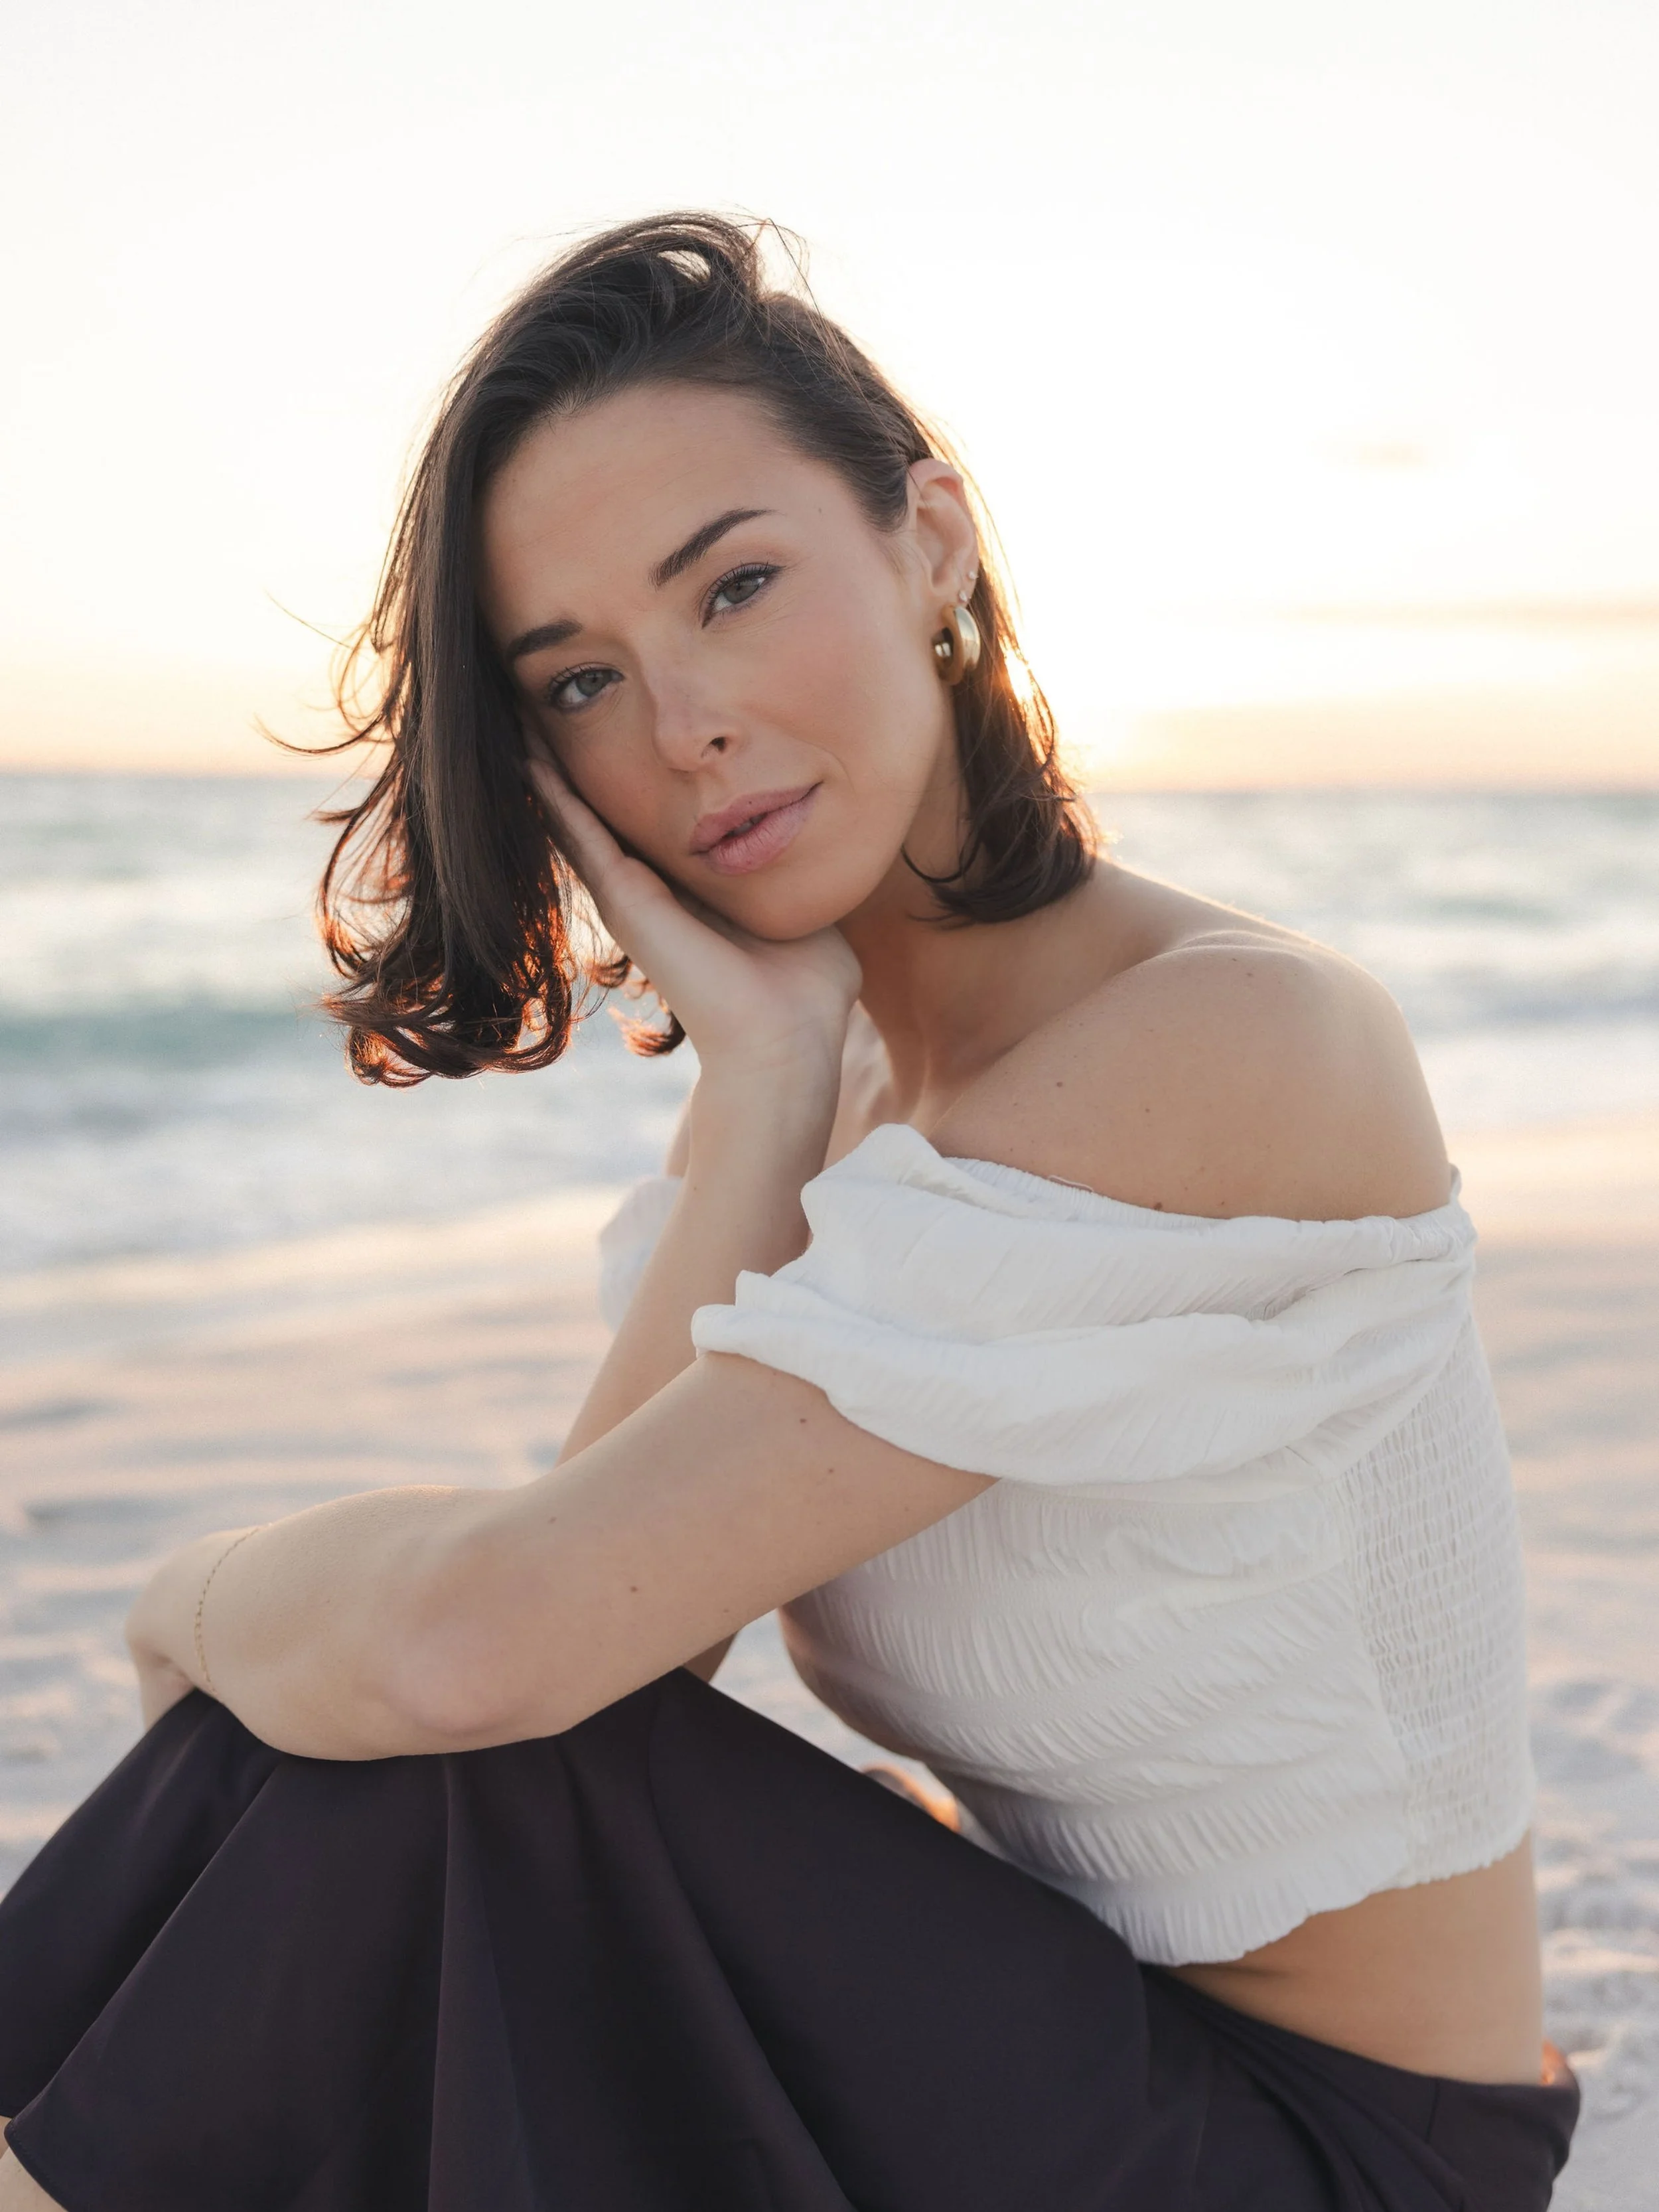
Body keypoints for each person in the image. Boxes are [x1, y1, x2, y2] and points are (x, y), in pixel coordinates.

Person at [0, 214, 1575, 2211]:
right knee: (439, 1750)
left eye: (733, 587)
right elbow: (582, 1658)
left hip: (1323, 2151)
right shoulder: (825, 1090)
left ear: (929, 538)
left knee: (421, 1705)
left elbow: (492, 1649)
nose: (682, 727)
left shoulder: (1230, 1045)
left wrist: (185, 1597)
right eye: (576, 680)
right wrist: (757, 1077)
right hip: (1063, 2044)